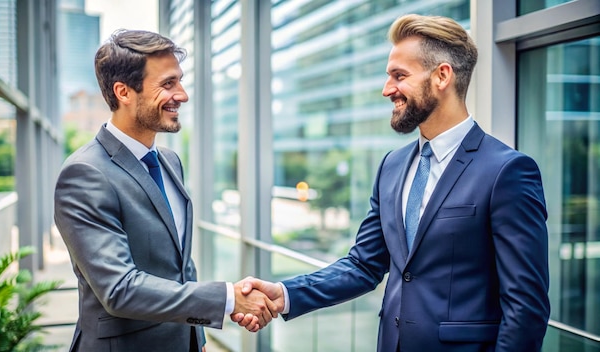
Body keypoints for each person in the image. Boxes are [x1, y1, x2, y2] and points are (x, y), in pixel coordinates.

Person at [233, 14, 550, 352]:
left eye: (399, 76)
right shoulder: (392, 166)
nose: (387, 90)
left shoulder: (507, 171)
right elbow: (363, 264)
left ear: (442, 76)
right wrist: (285, 295)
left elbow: (526, 307)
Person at [54, 29, 277, 352]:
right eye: (168, 84)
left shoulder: (169, 161)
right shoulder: (85, 173)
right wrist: (229, 299)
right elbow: (120, 289)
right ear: (124, 92)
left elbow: (179, 267)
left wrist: (196, 338)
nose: (183, 95)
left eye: (180, 81)